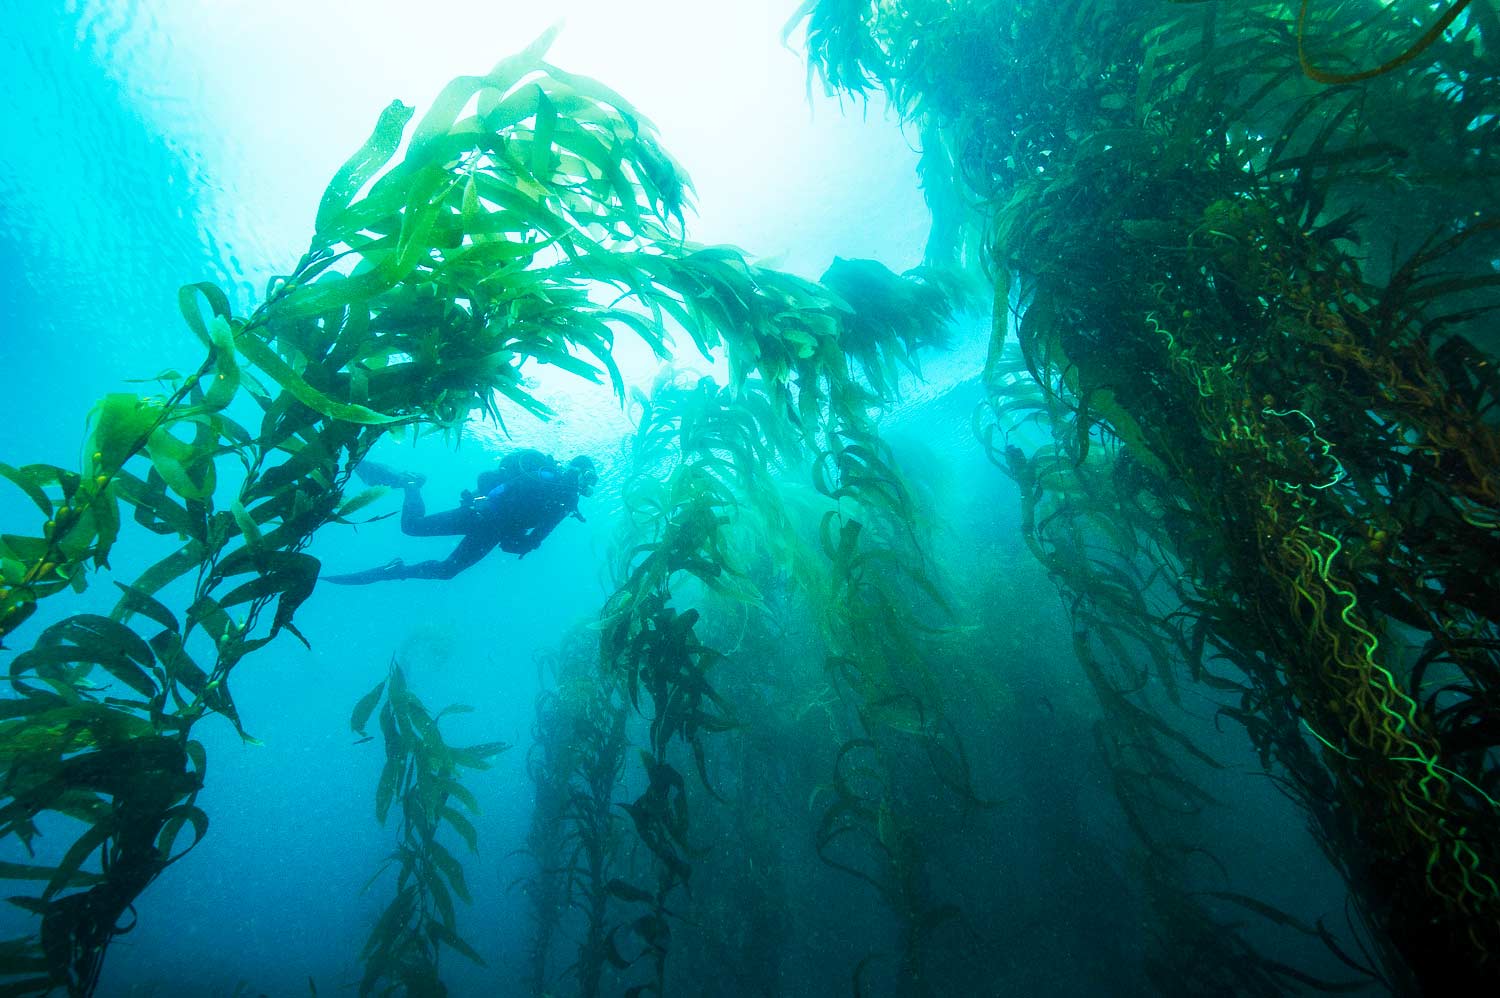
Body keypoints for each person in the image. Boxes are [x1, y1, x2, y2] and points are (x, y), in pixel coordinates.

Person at [325, 451, 599, 585]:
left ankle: (395, 571)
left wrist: (525, 544)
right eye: (587, 476)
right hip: (482, 515)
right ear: (575, 470)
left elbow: (534, 538)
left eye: (592, 480)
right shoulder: (547, 477)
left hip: (493, 532)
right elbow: (511, 487)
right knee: (412, 527)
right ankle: (410, 484)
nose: (588, 484)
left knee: (447, 572)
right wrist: (485, 500)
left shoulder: (566, 505)